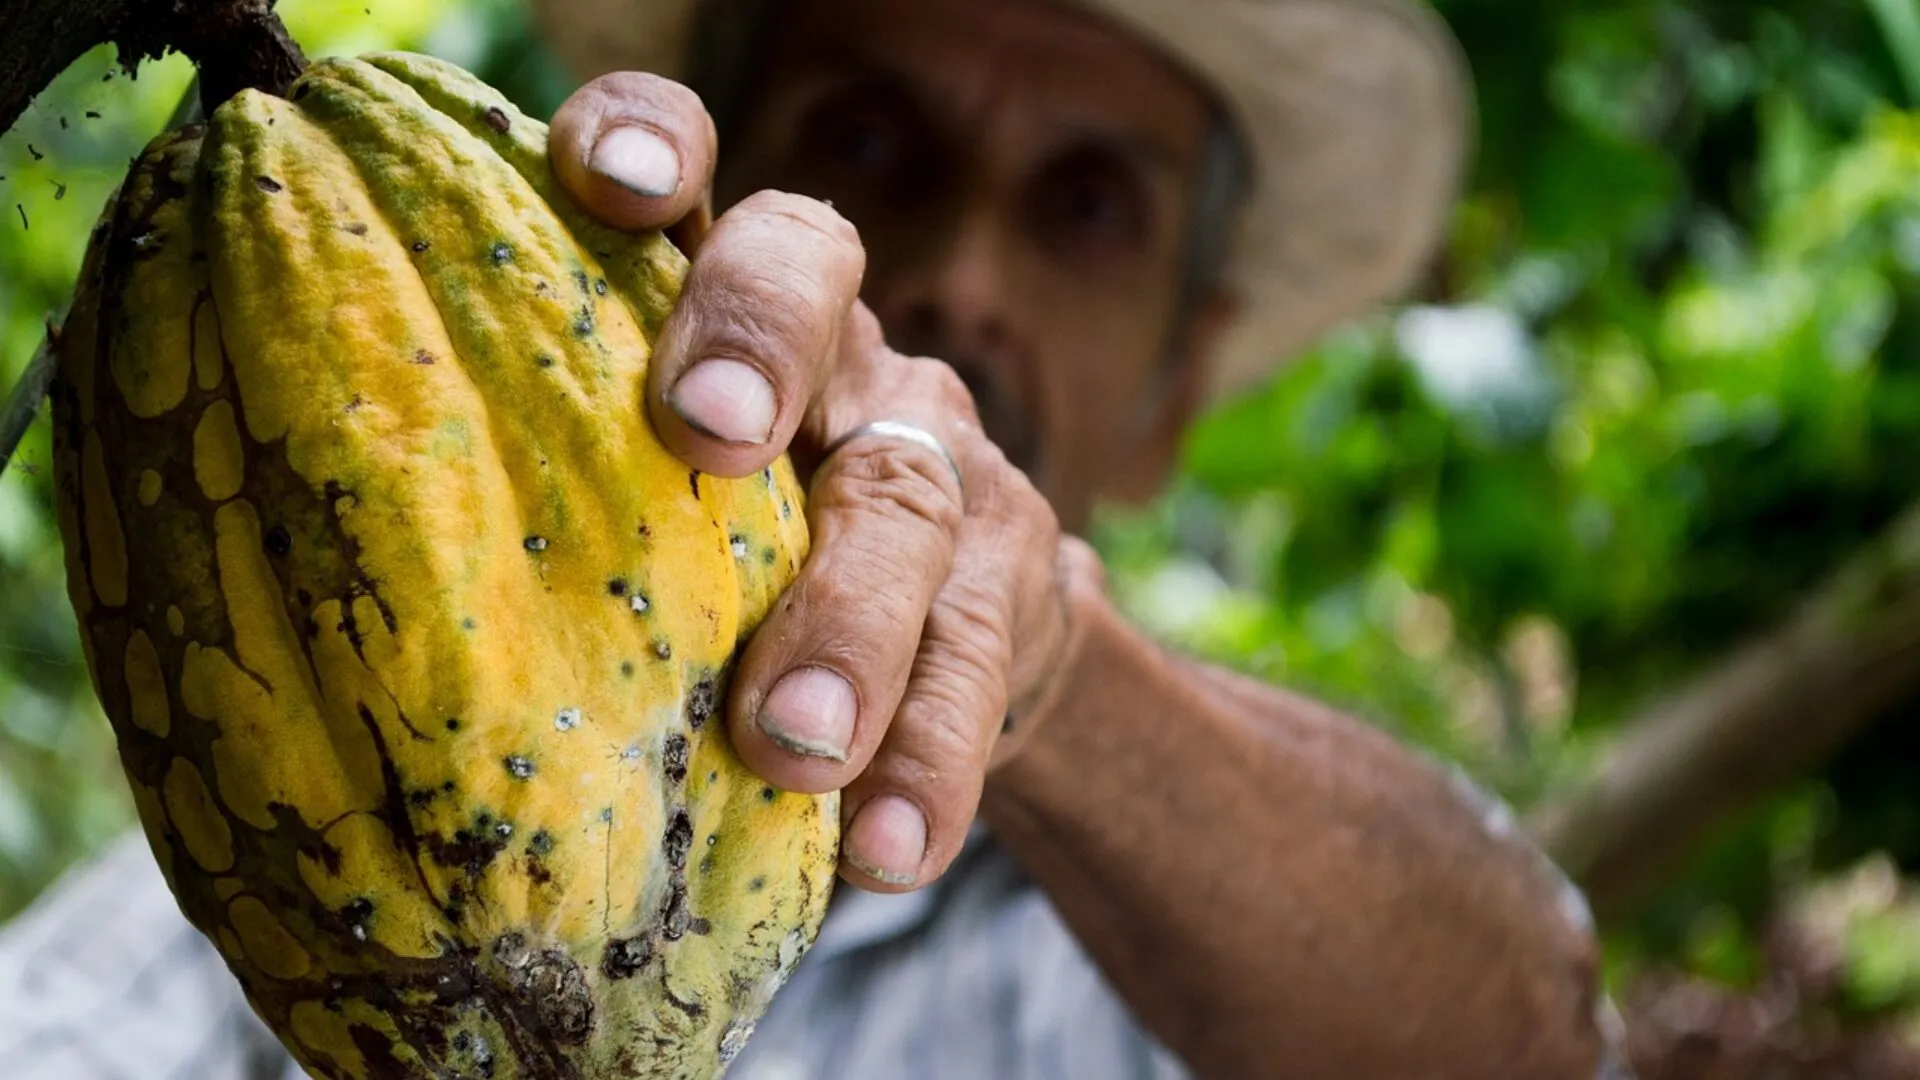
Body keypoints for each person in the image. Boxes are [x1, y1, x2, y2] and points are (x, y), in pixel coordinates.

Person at [0, 0, 1635, 1076]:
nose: (965, 275)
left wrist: (1048, 677)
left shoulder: (1183, 951)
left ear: (1176, 384)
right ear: (664, 205)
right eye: (865, 142)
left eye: (1085, 204)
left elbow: (1531, 1034)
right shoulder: (311, 778)